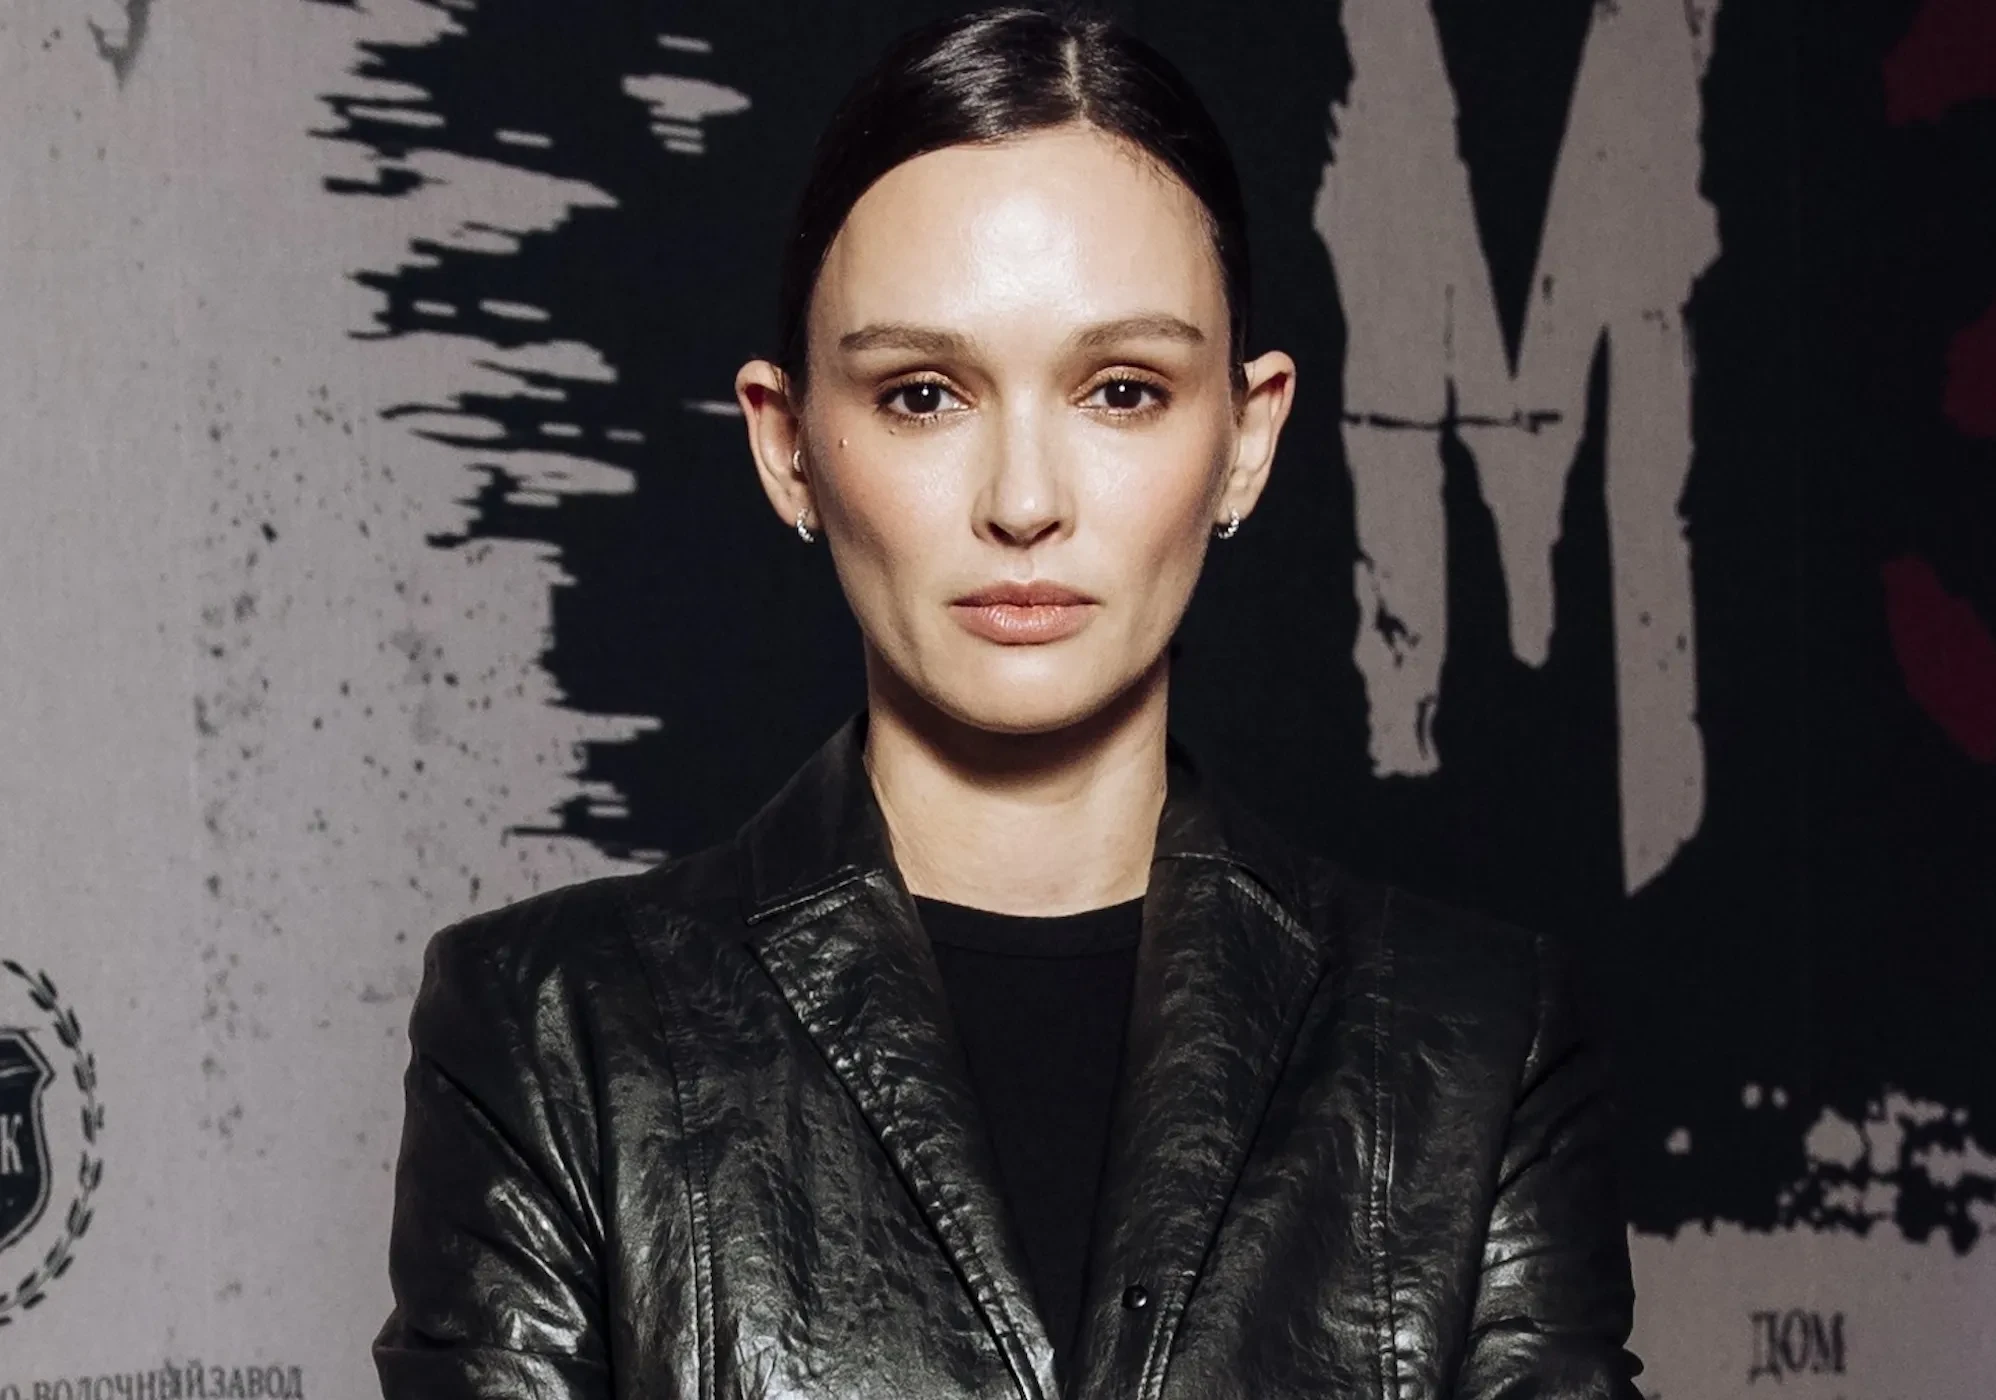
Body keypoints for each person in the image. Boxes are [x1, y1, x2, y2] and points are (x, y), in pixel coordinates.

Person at [373, 8, 1645, 1399]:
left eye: (1123, 390)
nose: (1024, 502)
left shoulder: (1474, 1046)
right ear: (788, 446)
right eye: (924, 394)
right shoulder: (550, 1031)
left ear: (1247, 435)